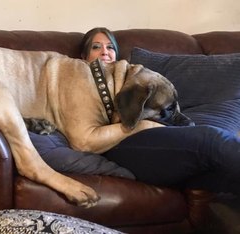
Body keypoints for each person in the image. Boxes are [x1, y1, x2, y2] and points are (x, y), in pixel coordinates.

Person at [29, 27, 240, 196]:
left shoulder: (136, 77)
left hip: (163, 143)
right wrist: (145, 124)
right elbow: (84, 140)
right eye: (96, 47)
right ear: (84, 57)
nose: (105, 52)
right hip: (120, 144)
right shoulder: (70, 80)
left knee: (215, 173)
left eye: (110, 48)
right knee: (211, 140)